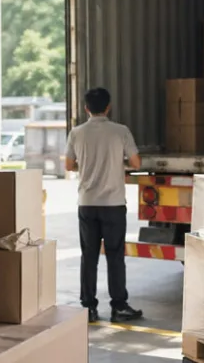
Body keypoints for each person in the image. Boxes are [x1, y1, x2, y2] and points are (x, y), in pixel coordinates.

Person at [65, 88, 143, 324]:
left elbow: (69, 165)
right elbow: (136, 163)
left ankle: (88, 307)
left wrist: (89, 167)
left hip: (87, 204)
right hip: (113, 204)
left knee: (89, 256)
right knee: (115, 256)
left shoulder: (77, 133)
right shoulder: (121, 131)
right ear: (108, 107)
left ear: (86, 108)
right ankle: (118, 306)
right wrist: (116, 166)